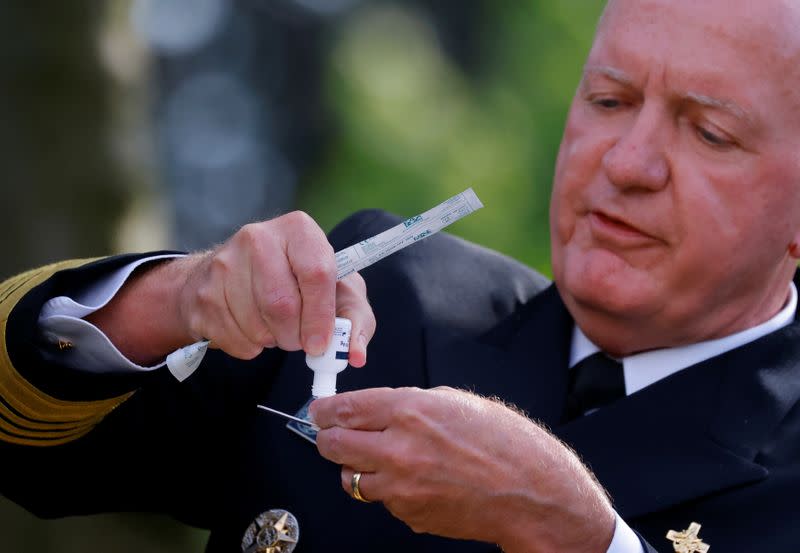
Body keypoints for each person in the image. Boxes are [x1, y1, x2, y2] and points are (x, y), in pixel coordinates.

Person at [2, 0, 799, 551]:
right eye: (608, 98)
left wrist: (579, 538)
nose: (626, 163)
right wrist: (178, 299)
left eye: (710, 132)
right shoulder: (393, 300)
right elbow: (29, 452)